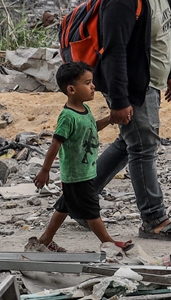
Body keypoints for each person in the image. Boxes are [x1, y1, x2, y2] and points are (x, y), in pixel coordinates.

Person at [94, 0, 171, 241]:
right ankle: (154, 219)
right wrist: (120, 101)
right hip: (131, 84)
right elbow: (113, 53)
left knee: (131, 142)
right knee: (144, 146)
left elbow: (161, 35)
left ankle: (78, 198)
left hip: (151, 79)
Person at [28, 61, 132, 252]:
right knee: (91, 210)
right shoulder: (68, 116)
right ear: (71, 89)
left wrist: (109, 119)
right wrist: (45, 171)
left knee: (64, 206)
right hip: (76, 174)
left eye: (92, 82)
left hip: (85, 170)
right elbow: (55, 144)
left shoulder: (85, 110)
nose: (93, 87)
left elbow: (92, 128)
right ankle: (108, 242)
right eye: (87, 83)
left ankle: (45, 240)